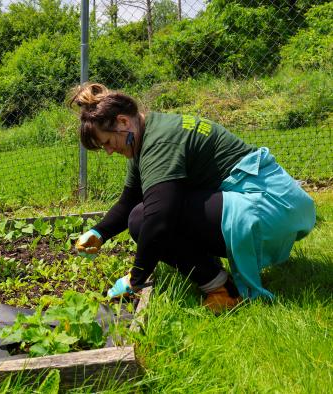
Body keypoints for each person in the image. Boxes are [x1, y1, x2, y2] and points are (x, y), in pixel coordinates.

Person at [70, 83, 316, 314]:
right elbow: (129, 200)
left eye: (108, 143)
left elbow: (158, 220)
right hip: (278, 203)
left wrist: (136, 278)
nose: (110, 151)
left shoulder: (159, 142)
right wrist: (99, 233)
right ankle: (216, 277)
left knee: (145, 219)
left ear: (122, 122)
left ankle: (225, 291)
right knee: (149, 211)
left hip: (271, 207)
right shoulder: (147, 133)